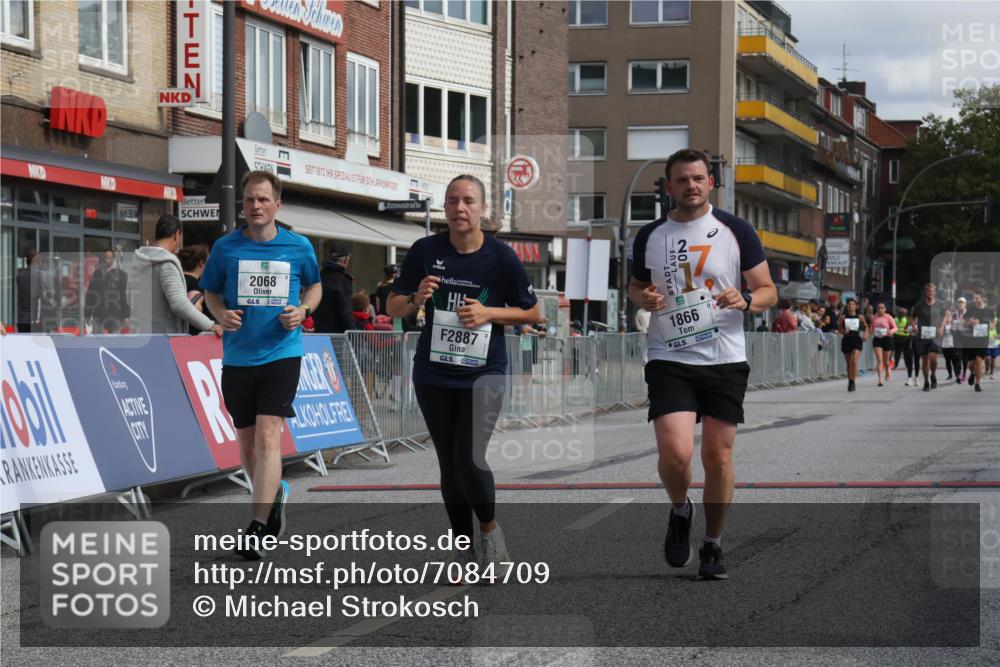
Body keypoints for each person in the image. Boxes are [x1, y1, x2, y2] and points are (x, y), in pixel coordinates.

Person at [628, 148, 776, 580]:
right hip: (669, 354)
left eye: (697, 178)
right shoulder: (650, 235)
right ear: (668, 187)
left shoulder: (735, 230)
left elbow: (767, 290)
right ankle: (680, 510)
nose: (690, 185)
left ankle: (712, 543)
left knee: (718, 457)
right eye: (681, 179)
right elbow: (636, 286)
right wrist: (645, 298)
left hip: (724, 356)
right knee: (674, 453)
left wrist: (746, 299)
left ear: (710, 183)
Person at [387, 174, 541, 579]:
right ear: (445, 207)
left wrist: (490, 313)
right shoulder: (425, 250)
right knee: (448, 465)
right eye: (453, 200)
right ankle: (462, 547)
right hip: (434, 372)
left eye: (469, 201)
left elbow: (533, 313)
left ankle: (489, 532)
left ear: (483, 209)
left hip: (484, 371)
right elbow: (393, 307)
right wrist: (416, 298)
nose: (460, 208)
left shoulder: (501, 257)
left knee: (468, 458)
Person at [201, 170, 322, 559]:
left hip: (282, 353)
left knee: (270, 437)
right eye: (250, 199)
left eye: (263, 200)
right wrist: (221, 316)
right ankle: (275, 495)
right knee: (248, 446)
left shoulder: (299, 246)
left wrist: (302, 310)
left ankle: (256, 527)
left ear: (277, 204)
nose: (255, 206)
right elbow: (211, 292)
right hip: (239, 356)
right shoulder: (225, 248)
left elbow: (314, 286)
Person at [128, 215, 222, 336]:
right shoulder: (166, 263)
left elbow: (129, 297)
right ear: (177, 234)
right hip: (164, 340)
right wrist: (210, 325)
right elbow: (179, 304)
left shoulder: (137, 261)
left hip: (140, 335)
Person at [311, 241, 354, 334]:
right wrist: (354, 333)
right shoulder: (342, 280)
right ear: (346, 260)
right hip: (337, 335)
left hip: (318, 332)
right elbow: (345, 311)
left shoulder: (319, 277)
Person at [85, 249, 131, 333]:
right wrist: (87, 314)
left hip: (115, 315)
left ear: (113, 259)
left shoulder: (122, 275)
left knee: (114, 343)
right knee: (97, 342)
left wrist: (126, 316)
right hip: (98, 314)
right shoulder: (97, 274)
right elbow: (90, 295)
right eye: (105, 258)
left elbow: (125, 297)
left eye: (109, 258)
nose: (106, 260)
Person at [911, 283, 944, 392]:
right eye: (929, 291)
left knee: (933, 358)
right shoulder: (919, 305)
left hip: (935, 335)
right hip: (923, 335)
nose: (931, 294)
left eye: (933, 292)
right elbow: (913, 316)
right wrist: (914, 325)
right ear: (926, 292)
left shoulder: (940, 304)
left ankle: (933, 374)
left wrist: (942, 327)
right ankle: (926, 382)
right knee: (925, 360)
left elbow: (946, 316)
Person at [177, 244, 211, 336]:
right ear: (201, 263)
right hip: (192, 342)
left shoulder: (175, 282)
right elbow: (193, 310)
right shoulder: (198, 288)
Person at [837, 298, 868, 392]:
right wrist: (843, 331)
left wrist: (866, 334)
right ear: (847, 306)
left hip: (856, 340)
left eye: (853, 304)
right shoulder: (843, 317)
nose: (851, 306)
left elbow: (866, 327)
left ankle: (853, 382)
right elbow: (839, 329)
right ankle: (850, 381)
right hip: (847, 340)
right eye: (849, 304)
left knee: (853, 361)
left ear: (856, 306)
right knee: (848, 364)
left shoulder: (860, 317)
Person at [963, 290, 991, 393]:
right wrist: (969, 322)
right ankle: (973, 373)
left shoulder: (988, 310)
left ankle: (977, 383)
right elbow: (964, 322)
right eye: (974, 298)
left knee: (979, 361)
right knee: (971, 364)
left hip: (983, 339)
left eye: (977, 298)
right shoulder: (970, 309)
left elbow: (993, 323)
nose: (975, 300)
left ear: (982, 298)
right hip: (971, 339)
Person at [869, 302, 896, 386]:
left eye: (882, 308)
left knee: (886, 362)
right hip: (877, 339)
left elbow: (895, 328)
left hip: (887, 339)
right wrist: (871, 331)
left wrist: (890, 332)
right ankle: (880, 380)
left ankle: (888, 368)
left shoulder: (888, 317)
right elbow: (871, 327)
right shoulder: (874, 317)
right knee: (879, 360)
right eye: (878, 308)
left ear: (885, 309)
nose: (880, 309)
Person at [892, 306, 915, 386]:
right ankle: (896, 364)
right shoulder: (895, 319)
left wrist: (909, 331)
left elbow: (910, 328)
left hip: (906, 339)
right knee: (897, 353)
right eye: (901, 313)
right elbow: (893, 327)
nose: (902, 314)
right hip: (897, 338)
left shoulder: (908, 319)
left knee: (906, 353)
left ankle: (906, 365)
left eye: (904, 313)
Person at [939, 309, 961, 382]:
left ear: (951, 316)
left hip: (953, 345)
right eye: (946, 315)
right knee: (947, 361)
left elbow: (959, 333)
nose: (948, 316)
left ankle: (957, 375)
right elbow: (940, 334)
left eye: (949, 315)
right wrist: (943, 323)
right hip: (945, 345)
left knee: (955, 361)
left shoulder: (954, 324)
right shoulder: (942, 324)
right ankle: (950, 374)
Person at [953, 296, 969, 383]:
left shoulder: (969, 314)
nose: (961, 304)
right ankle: (958, 375)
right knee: (957, 356)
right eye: (959, 302)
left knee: (965, 358)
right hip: (957, 336)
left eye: (962, 303)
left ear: (965, 304)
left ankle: (964, 373)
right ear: (957, 304)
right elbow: (950, 324)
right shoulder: (954, 314)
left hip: (966, 337)